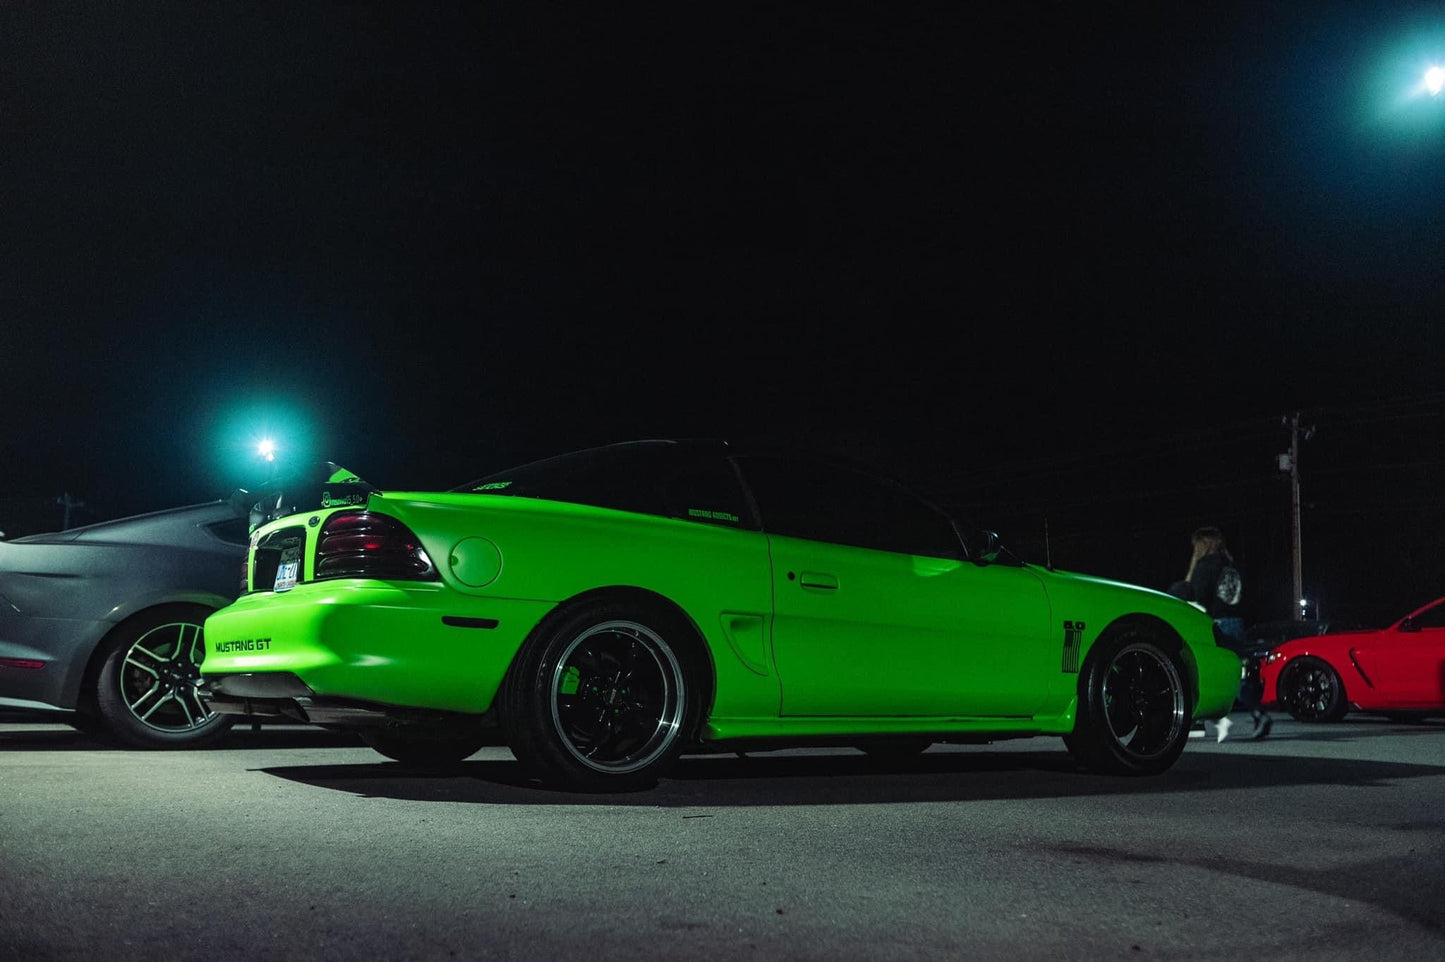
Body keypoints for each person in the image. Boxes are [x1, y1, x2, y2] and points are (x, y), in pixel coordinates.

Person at [1167, 526, 1271, 741]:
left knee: (1201, 671)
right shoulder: (1232, 566)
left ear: (1202, 545)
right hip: (1237, 622)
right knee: (1237, 671)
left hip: (1215, 623)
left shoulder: (1205, 566)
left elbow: (1196, 596)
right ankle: (1257, 712)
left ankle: (1197, 721)